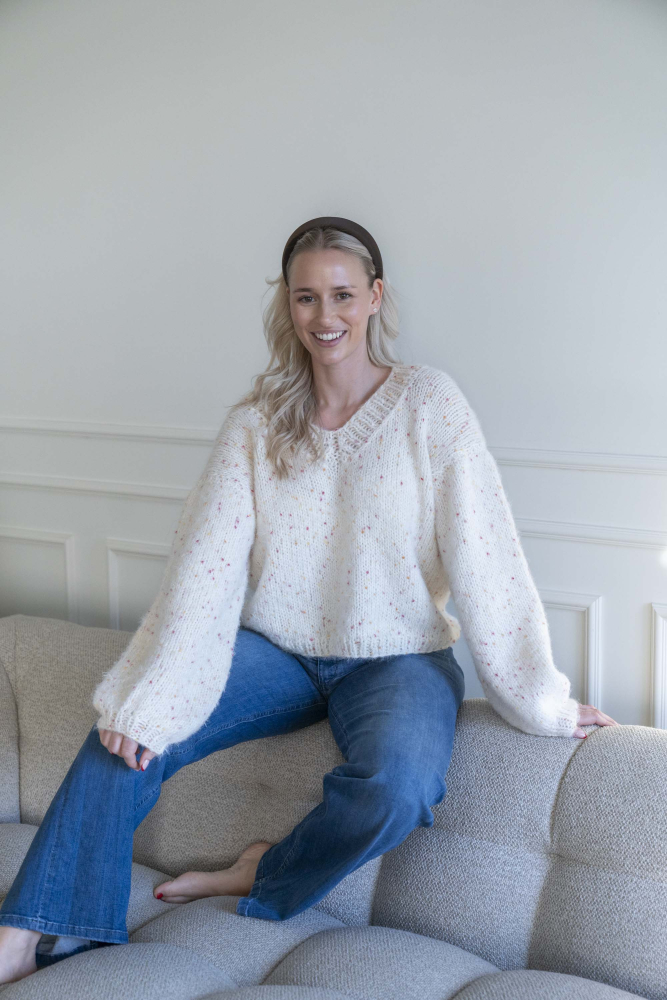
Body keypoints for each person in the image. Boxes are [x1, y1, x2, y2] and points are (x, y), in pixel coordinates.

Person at [0, 216, 618, 984]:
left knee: (397, 786)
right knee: (123, 735)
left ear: (374, 297)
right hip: (279, 653)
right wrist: (150, 696)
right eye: (305, 297)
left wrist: (539, 700)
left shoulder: (428, 403)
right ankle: (29, 934)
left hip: (399, 659)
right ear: (286, 305)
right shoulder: (255, 426)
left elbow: (485, 555)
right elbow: (202, 572)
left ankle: (266, 870)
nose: (324, 316)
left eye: (342, 295)